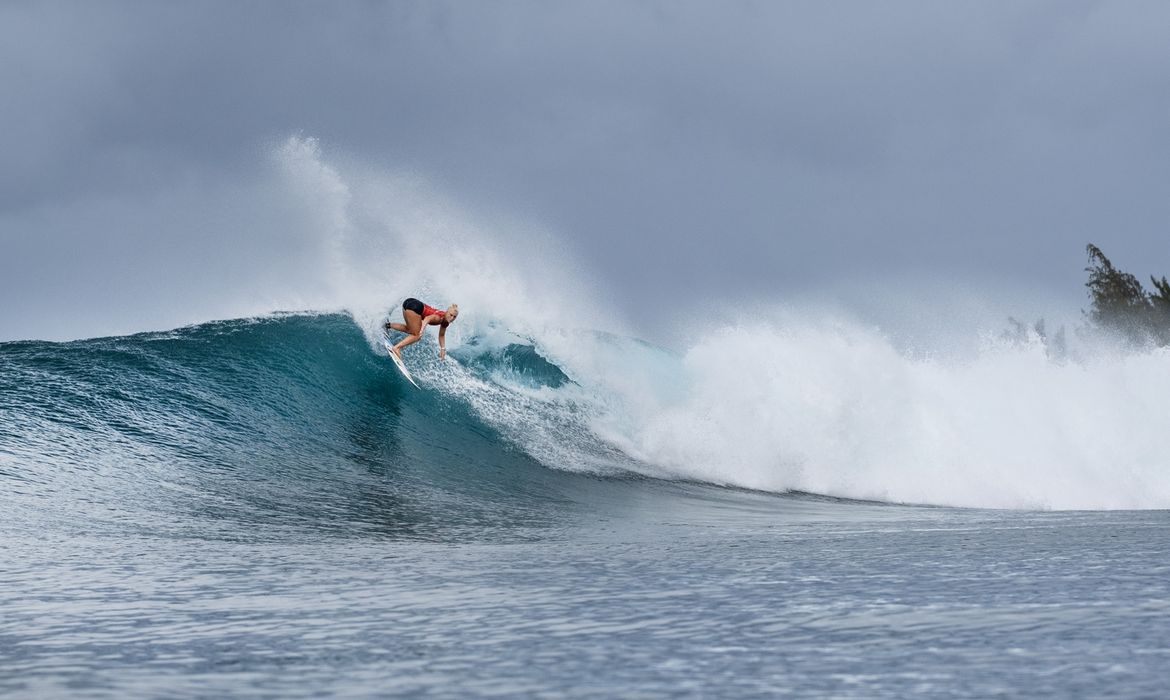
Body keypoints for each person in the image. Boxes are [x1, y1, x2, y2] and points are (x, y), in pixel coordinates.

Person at [384, 298, 458, 360]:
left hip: (408, 303)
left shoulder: (445, 322)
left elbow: (441, 335)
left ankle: (388, 325)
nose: (452, 318)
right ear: (447, 312)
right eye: (451, 315)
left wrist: (443, 349)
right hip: (415, 308)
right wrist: (422, 329)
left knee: (410, 329)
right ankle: (397, 348)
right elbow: (427, 318)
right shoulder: (439, 318)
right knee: (417, 335)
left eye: (454, 317)